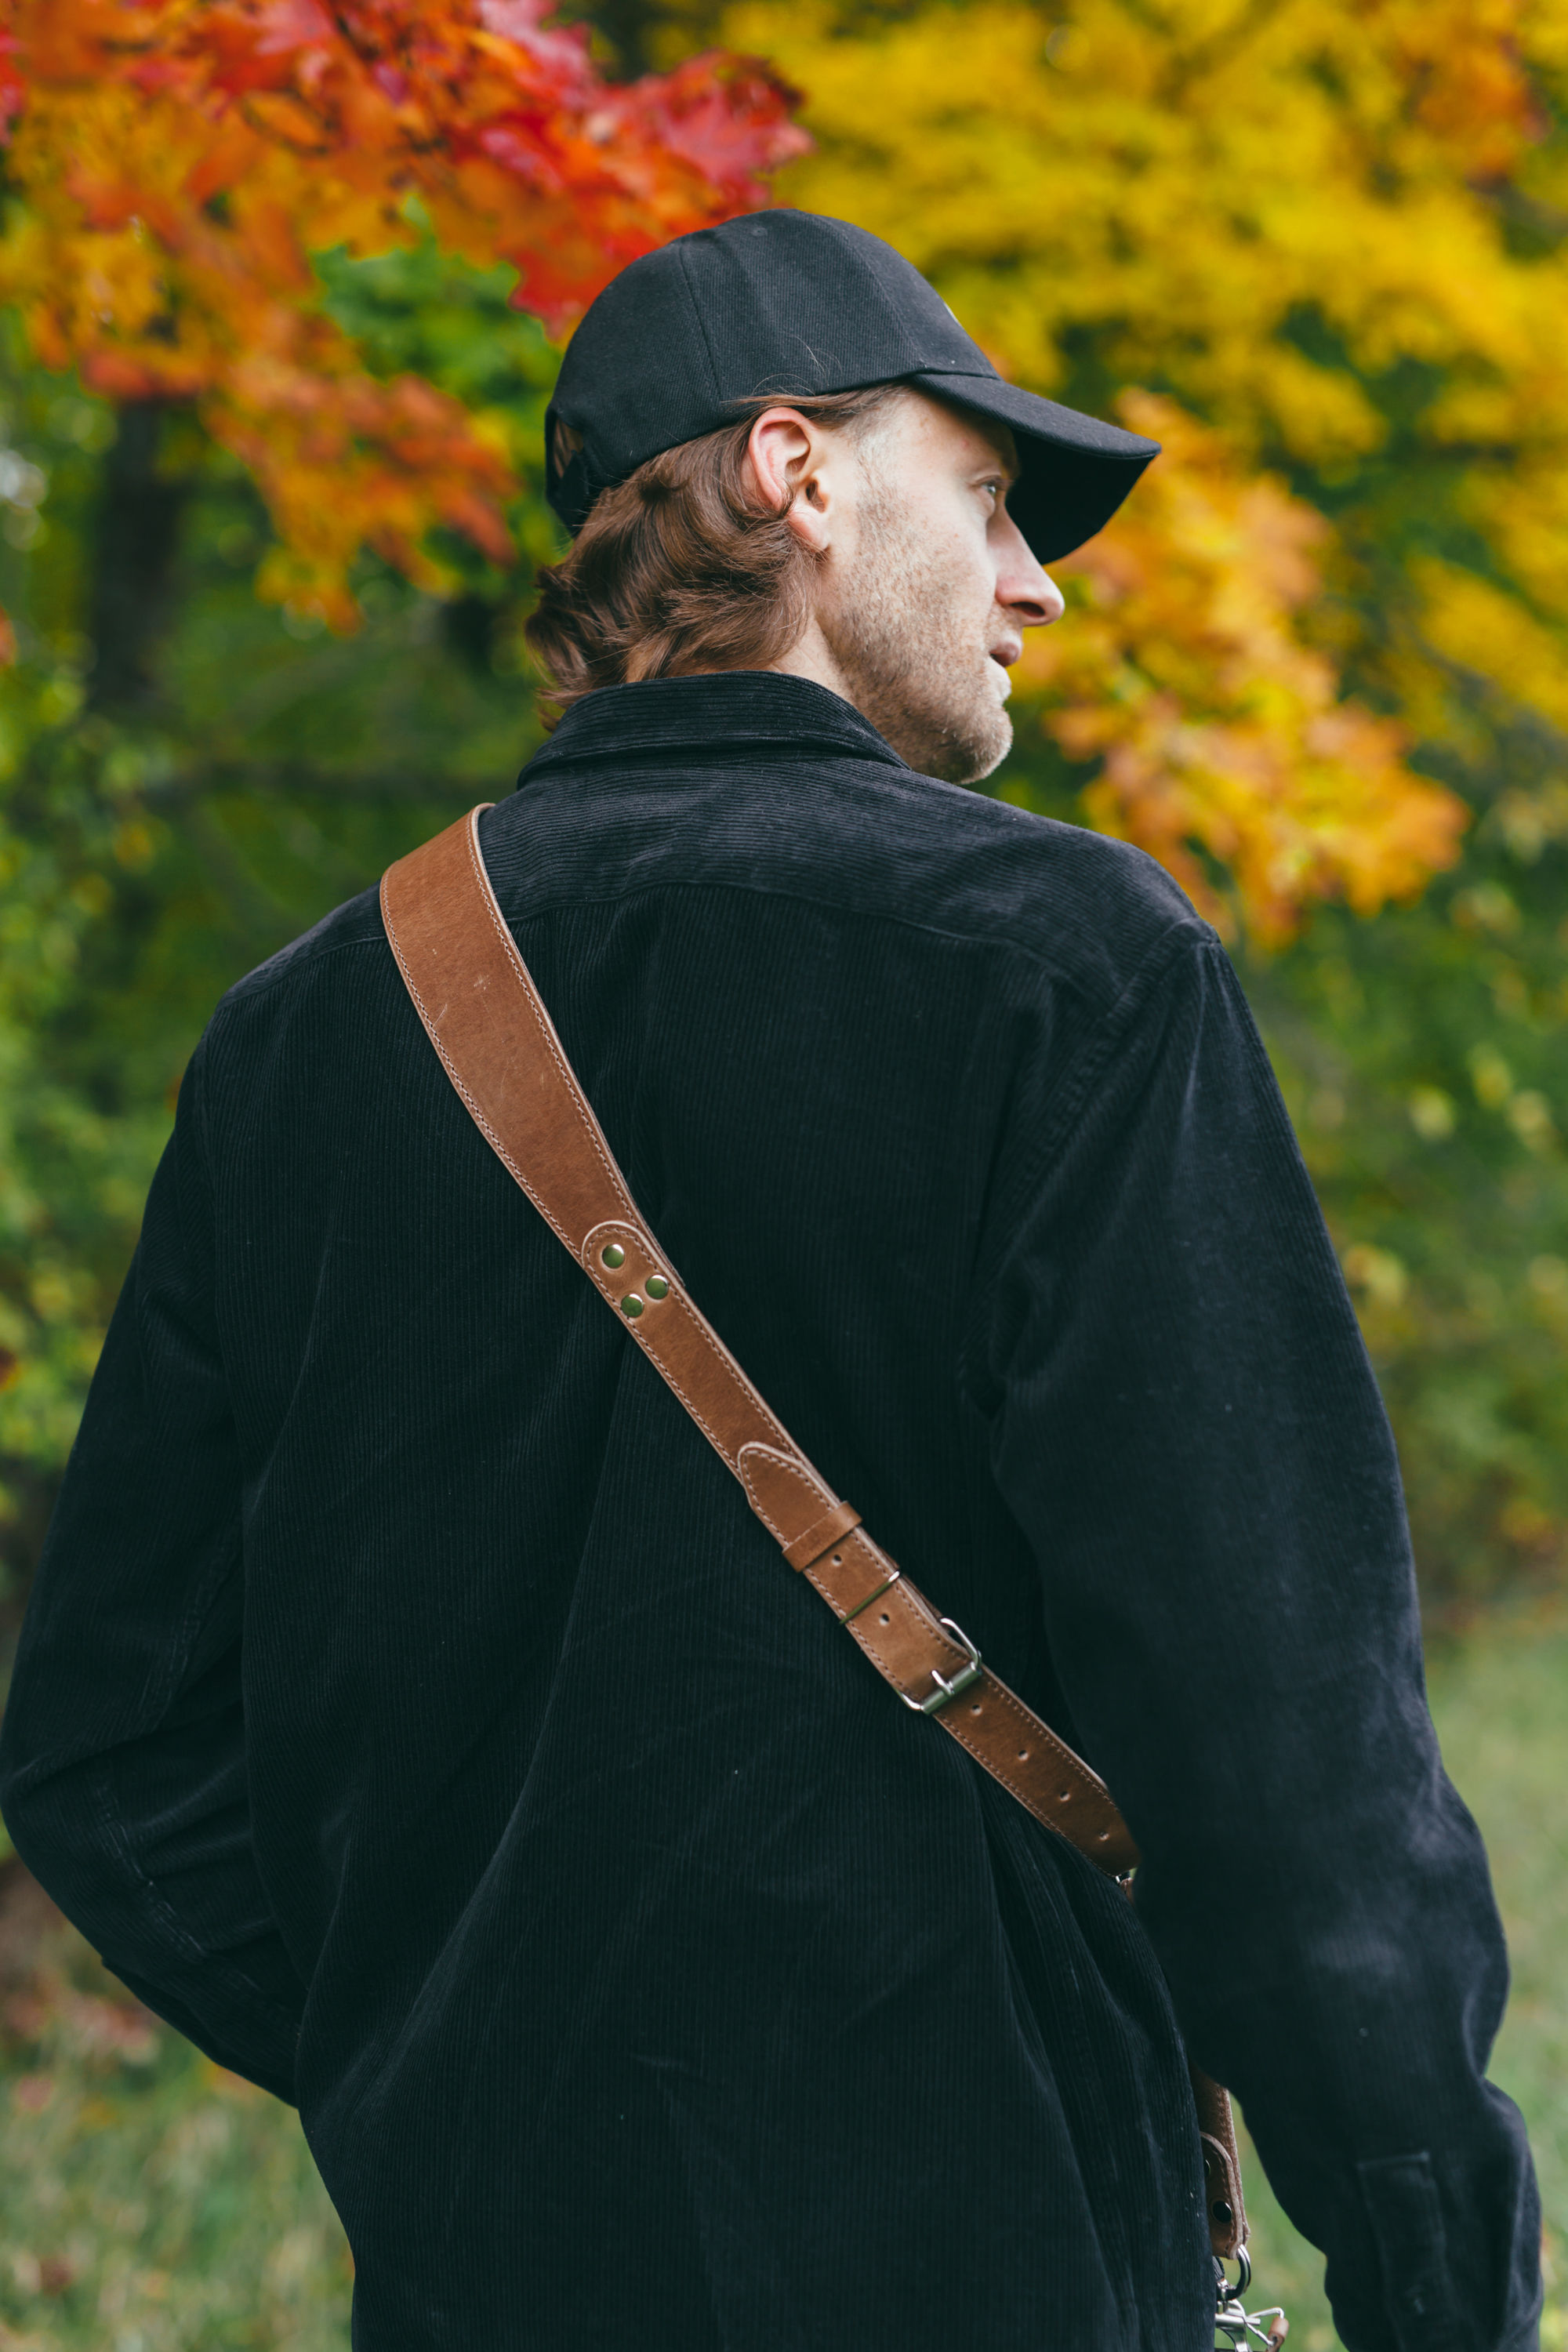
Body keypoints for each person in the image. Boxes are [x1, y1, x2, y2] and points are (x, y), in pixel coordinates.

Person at [0, 210, 1539, 2351]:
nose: (1041, 583)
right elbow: (1286, 1743)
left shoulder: (298, 1036)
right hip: (989, 2258)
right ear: (797, 474)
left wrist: (433, 2057)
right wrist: (1433, 2266)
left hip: (485, 2276)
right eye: (992, 500)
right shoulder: (1074, 967)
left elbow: (105, 1743)